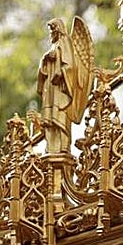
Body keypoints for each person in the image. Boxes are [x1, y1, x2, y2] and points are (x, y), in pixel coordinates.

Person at [38, 19, 77, 155]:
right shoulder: (53, 46)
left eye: (52, 30)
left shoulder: (64, 43)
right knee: (49, 118)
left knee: (60, 115)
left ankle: (62, 146)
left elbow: (70, 66)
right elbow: (43, 71)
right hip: (50, 87)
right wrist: (45, 59)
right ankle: (51, 147)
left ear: (58, 29)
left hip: (60, 87)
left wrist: (60, 72)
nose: (50, 33)